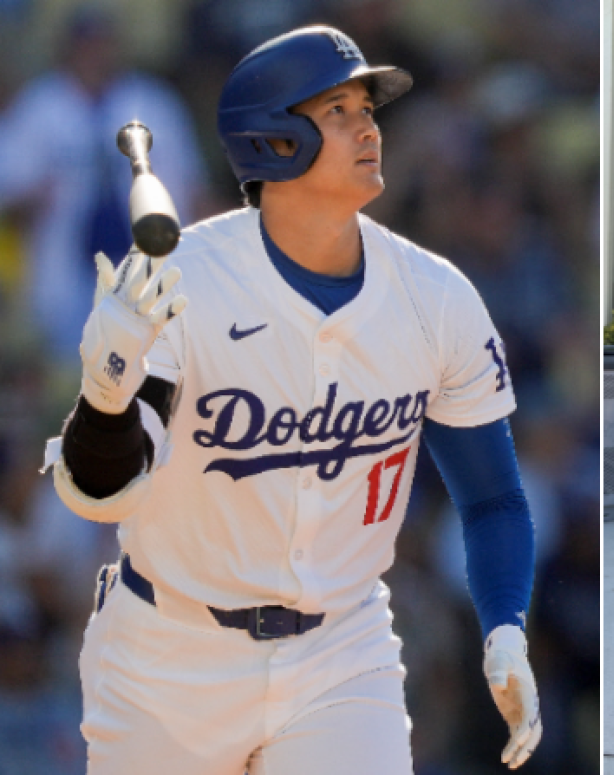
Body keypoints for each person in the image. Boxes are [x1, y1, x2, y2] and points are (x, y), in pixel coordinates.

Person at [41, 26, 541, 774]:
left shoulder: (436, 298)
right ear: (272, 141)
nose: (370, 125)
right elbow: (100, 493)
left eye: (367, 107)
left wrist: (506, 624)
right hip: (168, 654)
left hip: (342, 650)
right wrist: (105, 390)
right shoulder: (184, 281)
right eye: (338, 109)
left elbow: (494, 499)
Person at [0, 6, 210, 361]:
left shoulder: (154, 102)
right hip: (62, 269)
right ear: (68, 50)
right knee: (69, 375)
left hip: (146, 265)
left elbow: (192, 189)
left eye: (102, 45)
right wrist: (33, 196)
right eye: (86, 46)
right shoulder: (38, 107)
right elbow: (10, 199)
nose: (94, 55)